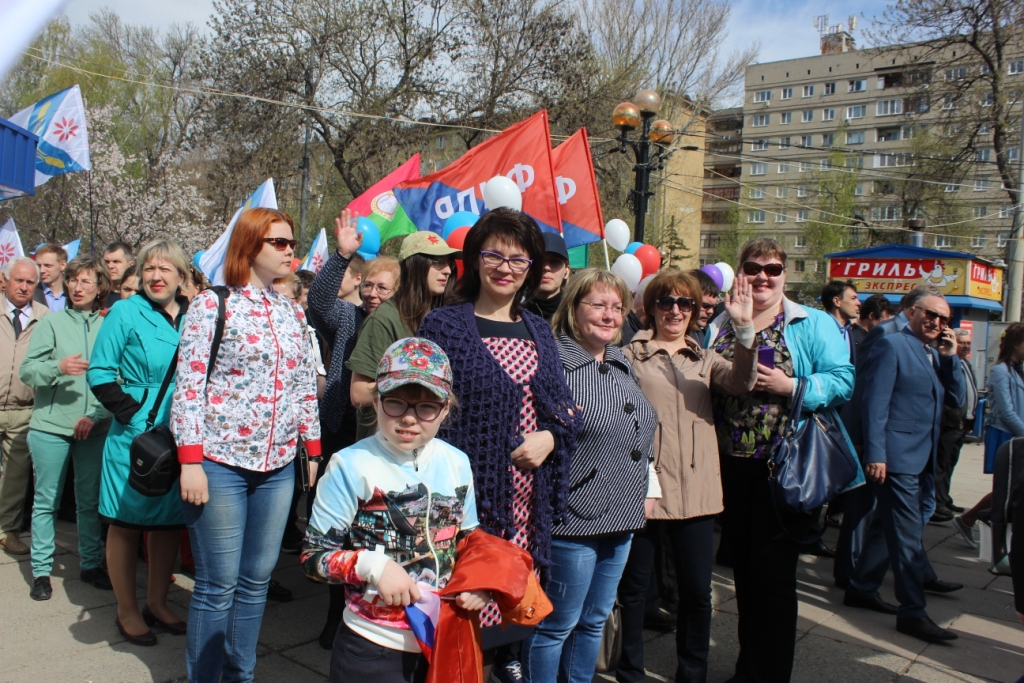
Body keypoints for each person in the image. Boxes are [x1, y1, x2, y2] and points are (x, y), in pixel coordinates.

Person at [417, 208, 583, 681]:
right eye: (494, 255)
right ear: (475, 259)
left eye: (518, 259)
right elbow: (423, 408)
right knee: (464, 630)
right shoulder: (444, 327)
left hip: (528, 514)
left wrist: (550, 438)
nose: (505, 267)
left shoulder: (539, 331)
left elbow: (564, 413)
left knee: (514, 628)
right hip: (466, 509)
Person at [171, 207, 322, 682]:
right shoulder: (212, 305)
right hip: (219, 463)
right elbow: (189, 387)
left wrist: (312, 448)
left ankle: (242, 675)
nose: (289, 251)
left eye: (291, 243)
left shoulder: (292, 311)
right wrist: (190, 461)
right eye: (278, 242)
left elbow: (301, 385)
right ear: (249, 247)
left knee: (256, 582)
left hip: (277, 465)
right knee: (217, 585)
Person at [704, 238, 854, 683]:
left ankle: (767, 675)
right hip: (731, 467)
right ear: (740, 273)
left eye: (773, 269)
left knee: (771, 580)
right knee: (745, 577)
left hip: (783, 467)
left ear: (785, 275)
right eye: (754, 268)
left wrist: (793, 387)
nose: (763, 277)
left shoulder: (811, 322)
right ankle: (749, 668)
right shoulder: (720, 324)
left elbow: (843, 380)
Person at [302, 337, 488, 682]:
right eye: (396, 403)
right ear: (376, 400)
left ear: (445, 409)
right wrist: (370, 564)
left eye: (426, 407)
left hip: (444, 636)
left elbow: (469, 538)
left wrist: (478, 581)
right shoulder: (350, 465)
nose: (409, 419)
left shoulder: (457, 462)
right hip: (372, 644)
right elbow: (314, 558)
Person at [616, 269, 756, 683]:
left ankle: (692, 672)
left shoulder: (705, 358)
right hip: (643, 488)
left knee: (697, 594)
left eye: (685, 303)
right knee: (634, 591)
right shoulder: (627, 356)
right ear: (651, 308)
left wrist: (745, 330)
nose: (674, 310)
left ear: (696, 311)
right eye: (665, 302)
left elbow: (743, 382)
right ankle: (629, 669)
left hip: (696, 490)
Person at [521, 269, 658, 683]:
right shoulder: (552, 362)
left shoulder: (620, 361)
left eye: (617, 307)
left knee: (595, 621)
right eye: (598, 304)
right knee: (555, 626)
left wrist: (651, 486)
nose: (609, 315)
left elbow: (641, 431)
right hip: (574, 519)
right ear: (573, 309)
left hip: (623, 516)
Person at [87, 239, 191, 645]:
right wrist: (133, 416)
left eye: (166, 269)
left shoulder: (194, 315)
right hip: (136, 437)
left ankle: (158, 602)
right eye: (149, 268)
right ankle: (126, 610)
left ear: (181, 276)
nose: (156, 276)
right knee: (126, 523)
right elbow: (99, 372)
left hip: (181, 434)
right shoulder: (125, 312)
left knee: (167, 523)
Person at [852, 293, 964, 644]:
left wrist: (950, 359)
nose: (937, 323)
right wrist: (876, 453)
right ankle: (913, 612)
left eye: (944, 320)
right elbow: (875, 402)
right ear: (913, 312)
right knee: (907, 538)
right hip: (896, 458)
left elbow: (955, 399)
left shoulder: (932, 352)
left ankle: (861, 587)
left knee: (886, 526)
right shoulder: (892, 344)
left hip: (919, 455)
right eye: (931, 315)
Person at [304, 211, 380, 647]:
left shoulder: (401, 323)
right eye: (367, 285)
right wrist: (342, 255)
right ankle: (335, 615)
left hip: (378, 437)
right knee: (338, 528)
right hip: (338, 429)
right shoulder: (349, 318)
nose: (372, 294)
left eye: (381, 287)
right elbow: (317, 303)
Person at [20, 257, 113, 600]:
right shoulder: (51, 323)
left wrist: (96, 414)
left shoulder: (108, 325)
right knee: (46, 501)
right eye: (73, 280)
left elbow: (116, 378)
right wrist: (57, 367)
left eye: (87, 281)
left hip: (94, 427)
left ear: (100, 287)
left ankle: (90, 565)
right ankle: (41, 572)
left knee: (88, 501)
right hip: (50, 426)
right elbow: (28, 371)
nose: (77, 287)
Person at [348, 231, 458, 440]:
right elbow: (359, 392)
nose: (447, 270)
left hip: (429, 446)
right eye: (437, 262)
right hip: (386, 449)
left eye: (449, 263)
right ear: (414, 266)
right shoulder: (385, 319)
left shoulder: (445, 318)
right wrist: (416, 387)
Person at [0, 258, 49, 556]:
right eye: (19, 280)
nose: (24, 286)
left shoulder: (45, 317)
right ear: (5, 280)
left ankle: (7, 531)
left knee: (16, 477)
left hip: (23, 407)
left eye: (30, 282)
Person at [934, 328, 978, 518]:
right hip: (950, 422)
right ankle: (937, 503)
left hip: (963, 423)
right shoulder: (949, 365)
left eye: (968, 343)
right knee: (941, 465)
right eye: (963, 343)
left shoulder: (965, 363)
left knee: (951, 463)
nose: (966, 346)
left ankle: (945, 499)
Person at [525, 232, 571, 321]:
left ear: (566, 271)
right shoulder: (513, 314)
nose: (546, 267)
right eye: (539, 261)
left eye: (554, 261)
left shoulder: (577, 315)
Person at [821, 280, 860, 360]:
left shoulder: (848, 330)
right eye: (853, 298)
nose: (858, 303)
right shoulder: (820, 330)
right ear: (837, 301)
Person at [32, 243, 68, 312]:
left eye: (48, 266)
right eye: (39, 266)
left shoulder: (73, 293)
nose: (41, 270)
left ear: (63, 265)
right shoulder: (31, 293)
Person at [690, 269, 721, 346]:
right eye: (705, 306)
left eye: (714, 307)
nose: (711, 311)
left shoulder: (704, 333)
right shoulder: (678, 337)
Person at [102, 241, 135, 308]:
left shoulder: (138, 295)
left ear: (130, 265)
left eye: (116, 261)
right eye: (107, 262)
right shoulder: (98, 296)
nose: (110, 266)